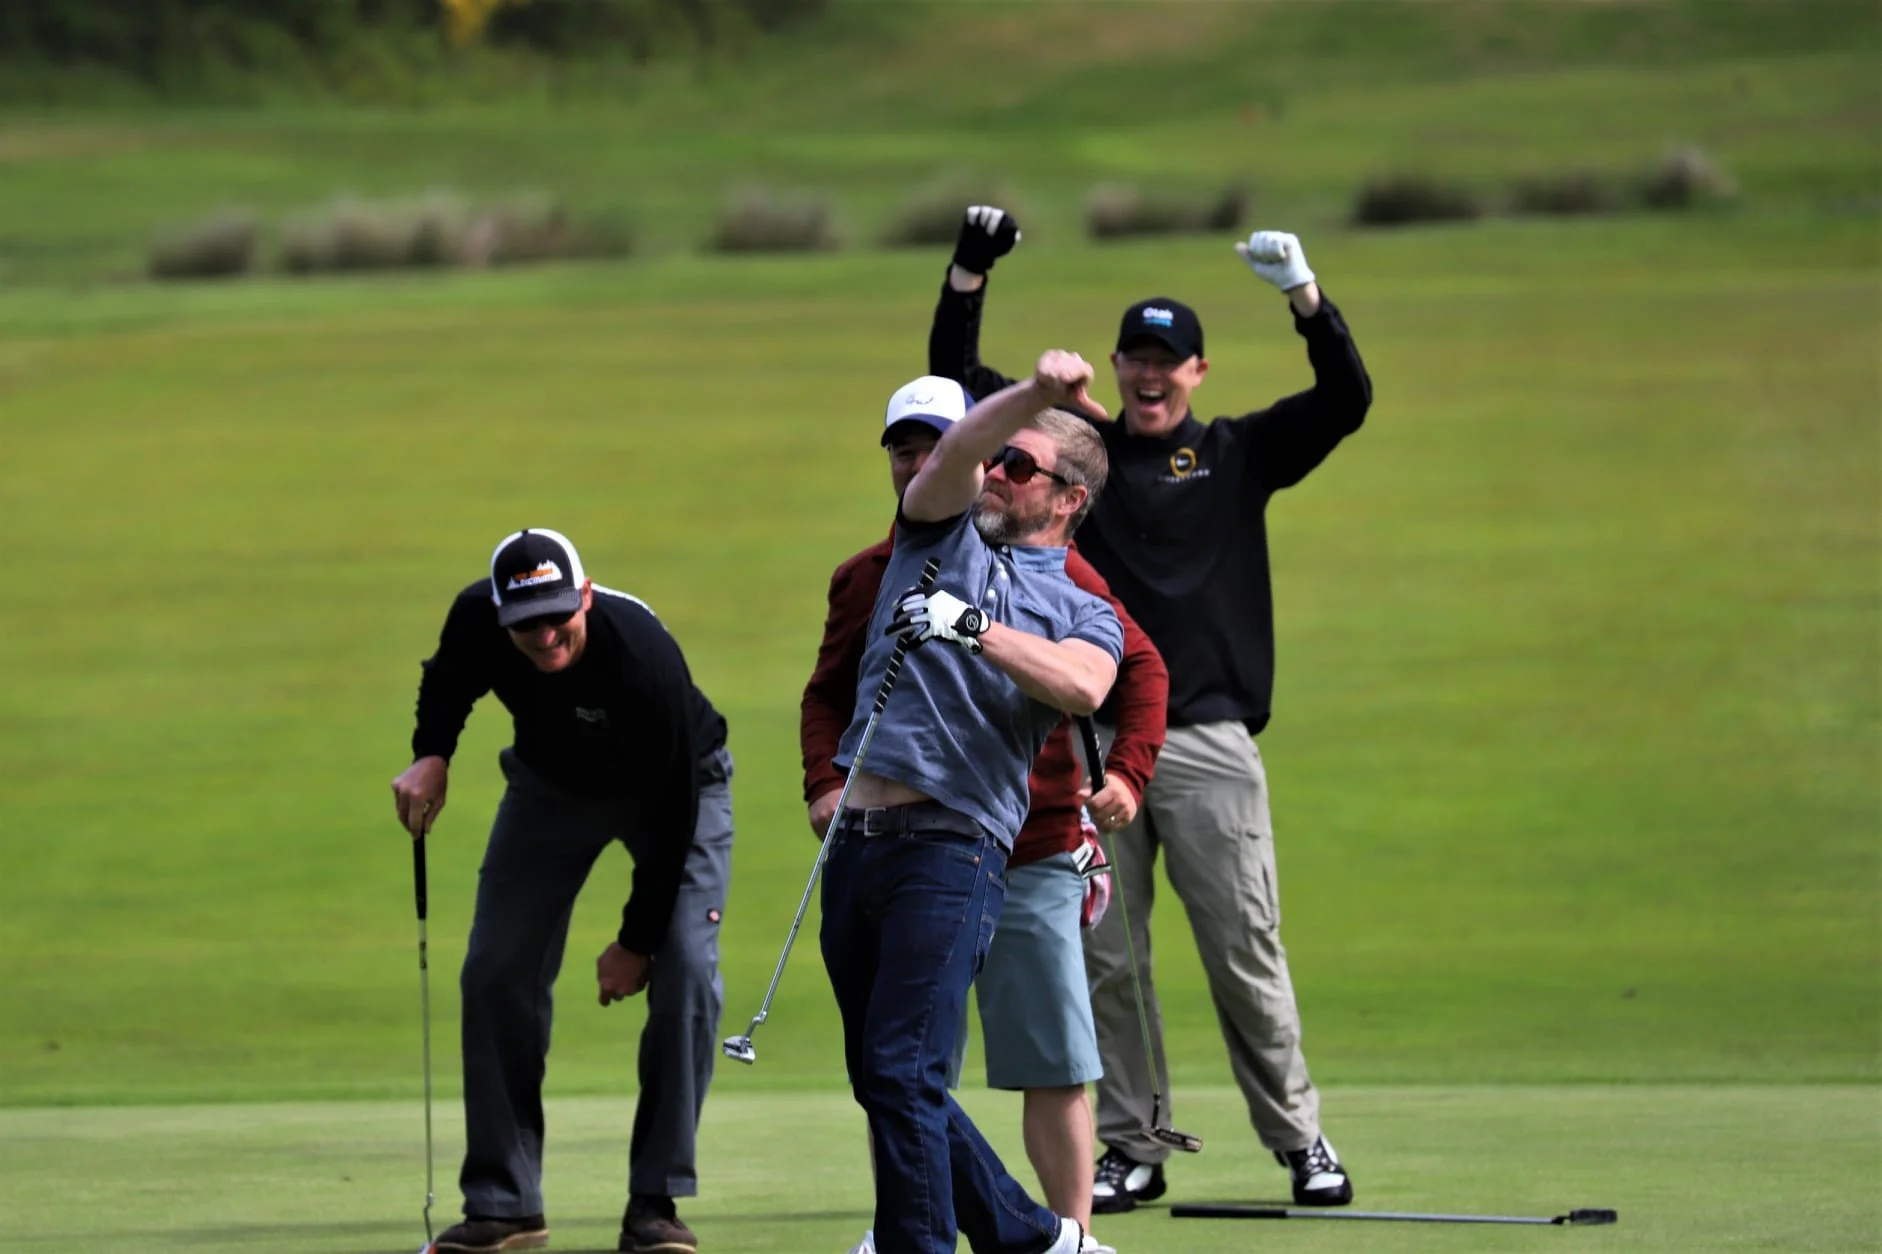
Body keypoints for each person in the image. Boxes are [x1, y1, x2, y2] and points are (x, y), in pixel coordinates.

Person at [928, 208, 1374, 1213]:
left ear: (1198, 372)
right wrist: (970, 268)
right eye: (1136, 357)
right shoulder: (1075, 451)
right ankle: (1131, 1146)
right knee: (1109, 960)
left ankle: (1300, 1140)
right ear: (1118, 367)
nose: (1149, 374)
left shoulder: (1235, 453)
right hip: (1088, 743)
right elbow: (956, 377)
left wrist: (1305, 300)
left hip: (1208, 738)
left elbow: (1346, 401)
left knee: (1242, 946)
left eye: (1168, 361)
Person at [800, 377, 1169, 1254]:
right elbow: (955, 452)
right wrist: (1036, 393)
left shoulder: (1082, 607)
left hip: (953, 849)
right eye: (992, 459)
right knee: (882, 1075)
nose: (992, 473)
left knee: (902, 1070)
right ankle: (1037, 1237)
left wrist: (972, 630)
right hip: (858, 843)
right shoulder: (935, 532)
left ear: (1068, 498)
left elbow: (1083, 684)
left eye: (1019, 465)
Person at [391, 528, 734, 1254]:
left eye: (559, 617)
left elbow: (675, 817)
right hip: (551, 789)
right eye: (526, 625)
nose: (546, 636)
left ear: (584, 595)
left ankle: (655, 1203)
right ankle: (504, 1202)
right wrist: (432, 755)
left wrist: (636, 943)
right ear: (501, 615)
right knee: (494, 970)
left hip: (675, 788)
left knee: (688, 972)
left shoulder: (642, 655)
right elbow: (448, 678)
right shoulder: (477, 616)